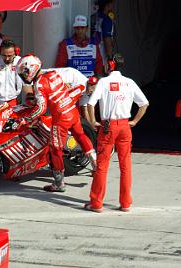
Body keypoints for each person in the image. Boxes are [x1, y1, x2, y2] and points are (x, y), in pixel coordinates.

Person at [16, 55, 97, 192]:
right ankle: (96, 165)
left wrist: (25, 119)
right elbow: (64, 88)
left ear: (32, 69)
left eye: (24, 72)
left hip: (60, 119)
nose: (23, 76)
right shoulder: (53, 74)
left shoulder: (39, 84)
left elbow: (41, 109)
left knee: (55, 149)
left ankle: (59, 184)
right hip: (72, 110)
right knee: (80, 135)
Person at [85, 54, 149, 213]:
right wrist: (134, 121)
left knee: (102, 166)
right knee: (126, 165)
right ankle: (126, 203)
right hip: (125, 126)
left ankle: (97, 203)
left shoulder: (104, 82)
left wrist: (93, 121)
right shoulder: (129, 82)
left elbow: (91, 103)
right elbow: (144, 103)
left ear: (110, 65)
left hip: (108, 127)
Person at [92, 0, 115, 65]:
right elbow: (107, 38)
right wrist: (110, 57)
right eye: (111, 3)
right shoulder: (107, 20)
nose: (112, 6)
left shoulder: (93, 16)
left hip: (90, 51)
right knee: (102, 73)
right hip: (101, 52)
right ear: (107, 5)